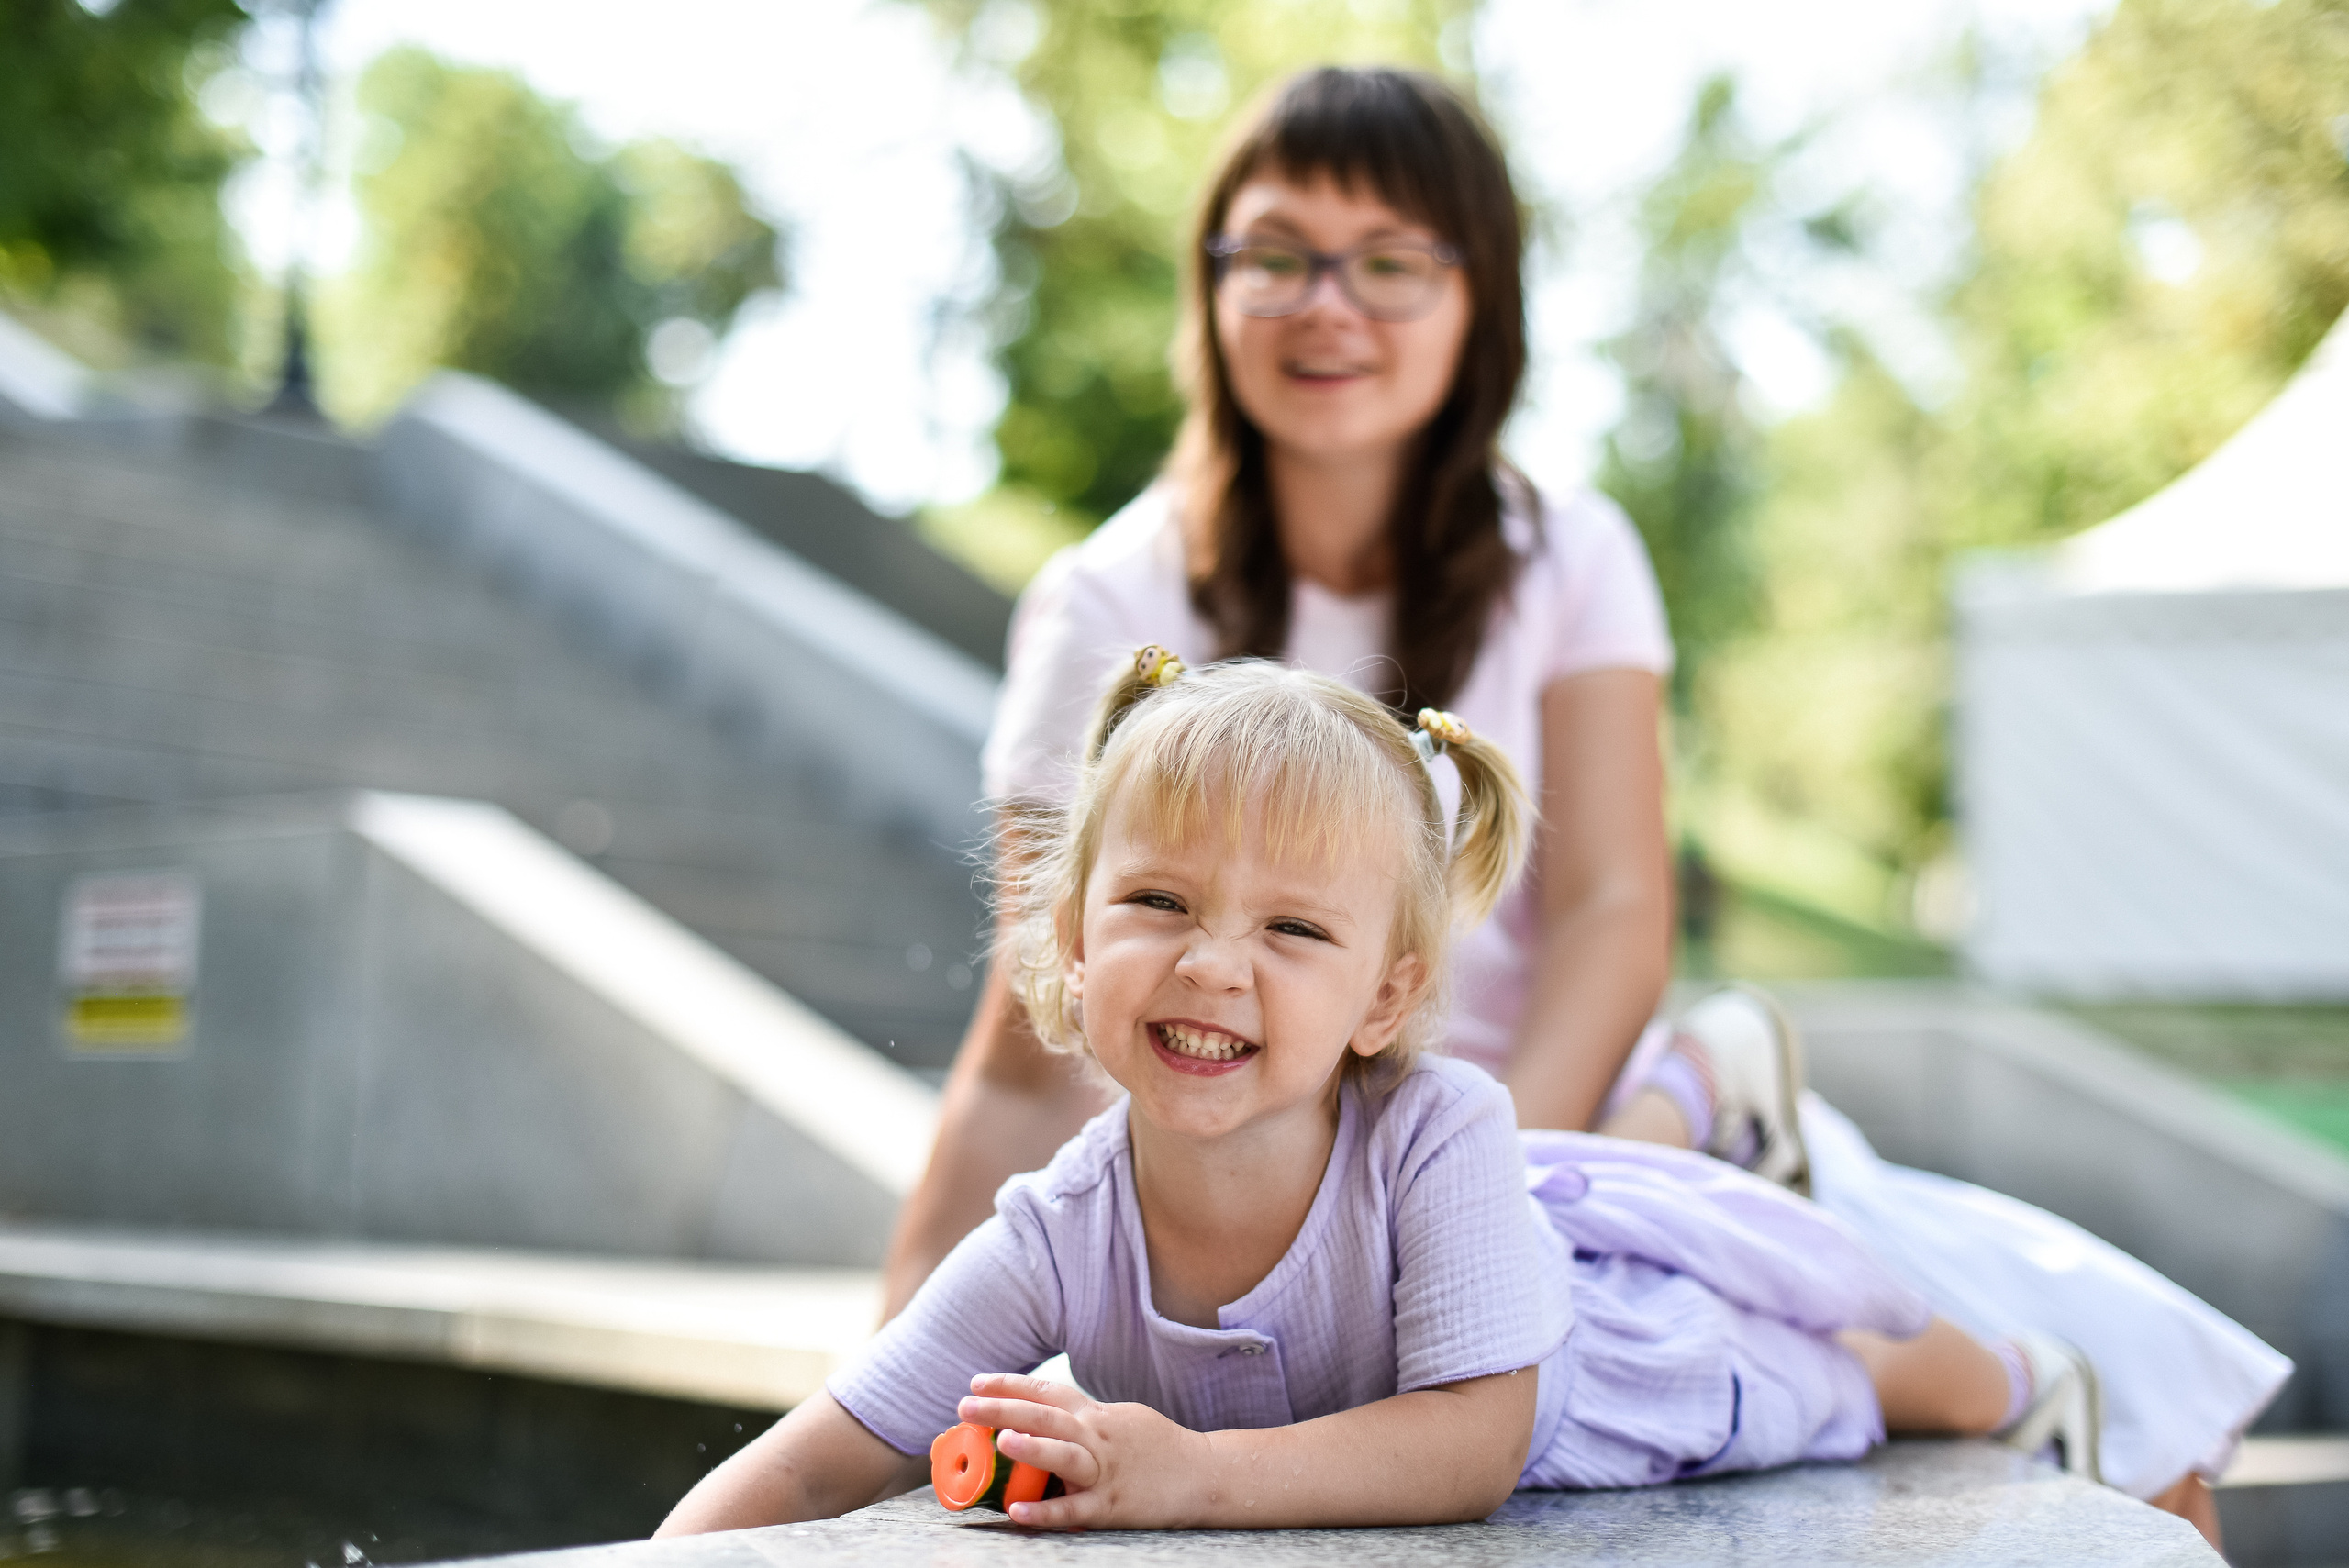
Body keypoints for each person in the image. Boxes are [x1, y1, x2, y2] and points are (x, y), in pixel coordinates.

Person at [880, 65, 2285, 1544]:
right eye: (1277, 255)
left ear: (1481, 301)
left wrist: (1490, 1195)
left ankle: (1694, 1100)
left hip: (1545, 1128)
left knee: (2113, 1430)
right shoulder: (1101, 598)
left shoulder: (1570, 553)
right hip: (1262, 1167)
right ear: (1210, 285)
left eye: (1393, 263)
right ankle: (1706, 1095)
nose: (1326, 305)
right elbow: (1026, 1046)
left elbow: (1617, 901)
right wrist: (885, 1373)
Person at [662, 658, 2081, 1533]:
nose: (1214, 964)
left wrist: (1188, 1478)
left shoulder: (1438, 1124)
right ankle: (1704, 1094)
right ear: (1078, 934)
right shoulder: (1052, 1233)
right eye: (1158, 900)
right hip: (1520, 1280)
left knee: (1843, 1362)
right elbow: (804, 1468)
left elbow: (1473, 1444)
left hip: (1616, 1373)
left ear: (1385, 999)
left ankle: (2031, 1385)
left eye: (1292, 930)